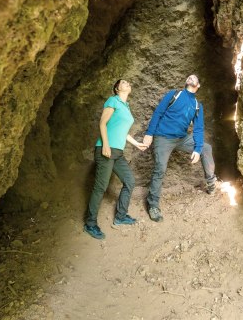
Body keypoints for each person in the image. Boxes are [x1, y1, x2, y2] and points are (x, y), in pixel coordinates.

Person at [143, 74, 217, 222]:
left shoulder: (197, 105)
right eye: (190, 76)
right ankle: (153, 205)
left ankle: (211, 182)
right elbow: (158, 113)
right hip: (163, 137)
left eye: (196, 77)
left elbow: (198, 128)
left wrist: (197, 149)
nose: (192, 76)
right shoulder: (174, 95)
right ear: (186, 82)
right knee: (160, 168)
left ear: (198, 85)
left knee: (206, 148)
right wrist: (149, 134)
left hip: (181, 139)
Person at [84, 79, 147, 240]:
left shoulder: (126, 107)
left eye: (128, 82)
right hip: (106, 149)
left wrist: (137, 144)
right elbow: (103, 123)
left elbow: (123, 132)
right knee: (100, 187)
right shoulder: (113, 100)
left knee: (130, 181)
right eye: (123, 82)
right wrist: (105, 144)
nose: (128, 83)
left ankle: (120, 216)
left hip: (117, 152)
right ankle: (90, 223)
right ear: (117, 88)